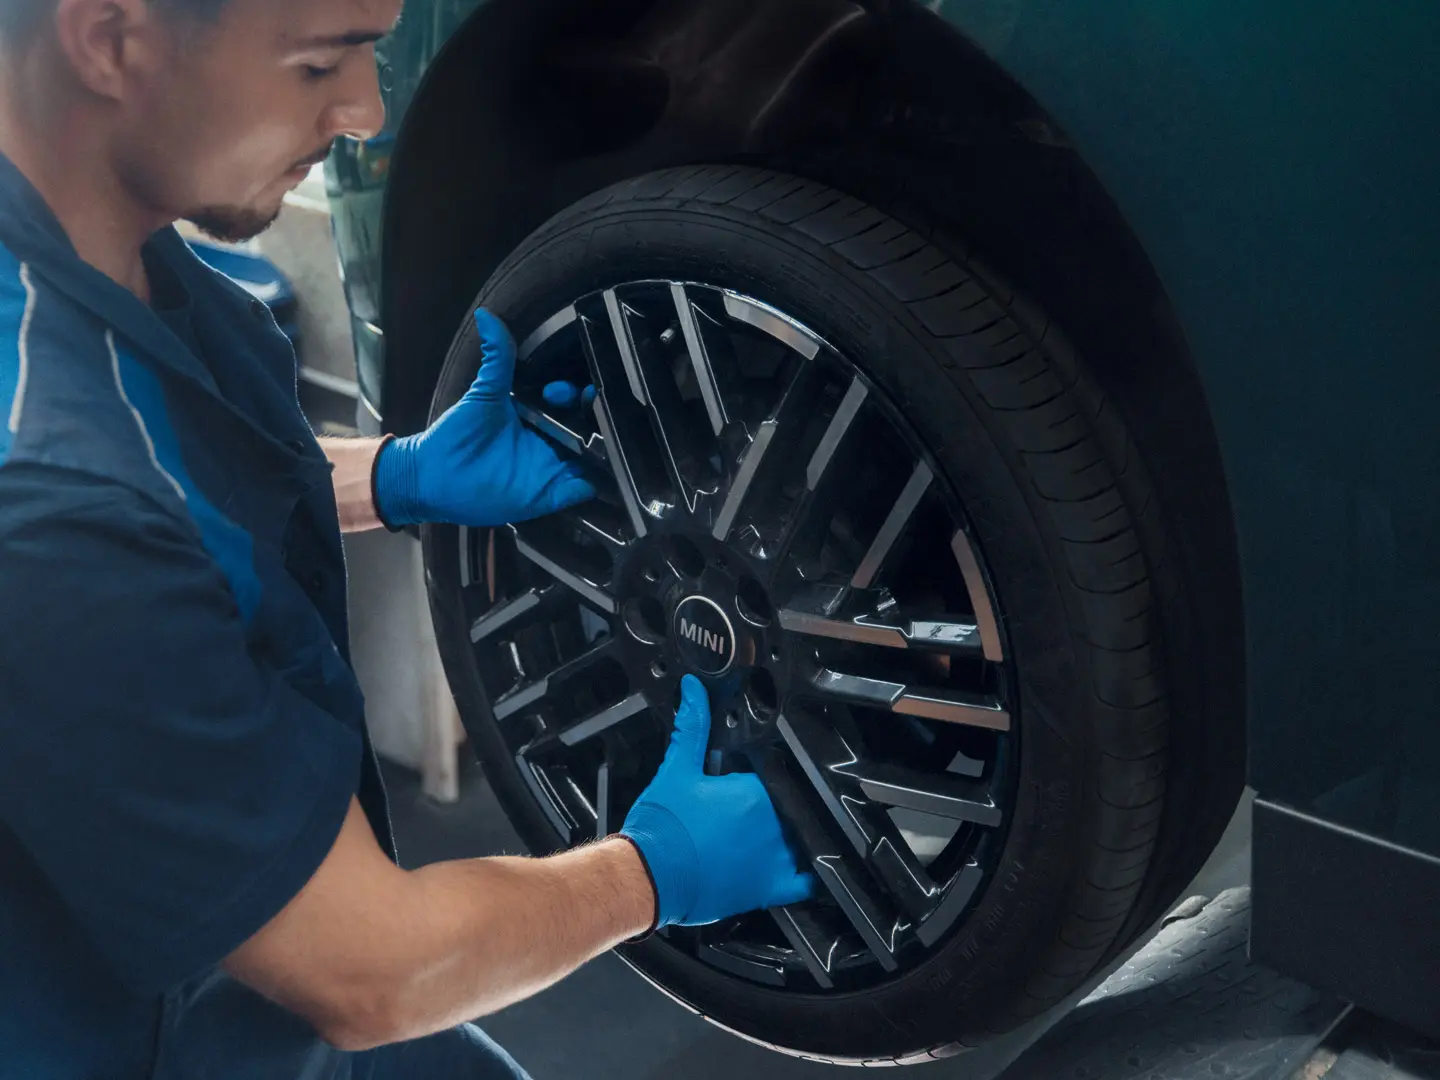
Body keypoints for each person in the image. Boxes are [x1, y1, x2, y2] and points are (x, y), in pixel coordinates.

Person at [0, 0, 814, 1074]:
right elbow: (371, 972)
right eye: (317, 63)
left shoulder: (94, 241)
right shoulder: (50, 512)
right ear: (109, 40)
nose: (364, 110)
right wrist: (653, 871)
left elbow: (166, 494)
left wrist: (397, 475)